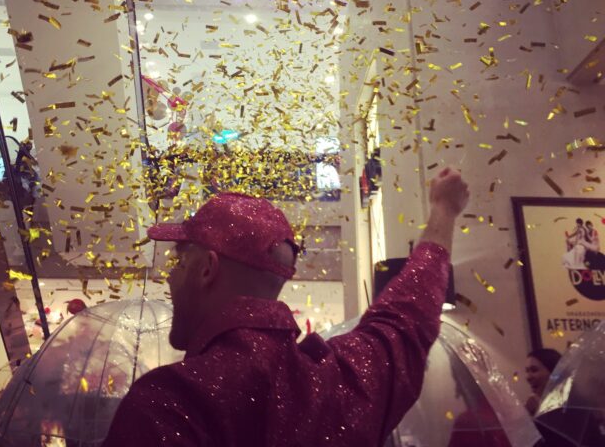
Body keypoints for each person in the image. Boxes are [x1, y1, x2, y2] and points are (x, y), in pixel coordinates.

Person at [102, 167, 469, 446]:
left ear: (207, 269)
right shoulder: (343, 381)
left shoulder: (168, 405)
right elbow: (407, 318)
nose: (170, 279)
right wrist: (444, 212)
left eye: (177, 265)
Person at [525, 348, 562, 416]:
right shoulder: (533, 405)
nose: (528, 377)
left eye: (534, 370)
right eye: (527, 371)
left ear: (553, 372)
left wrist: (541, 411)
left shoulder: (569, 405)